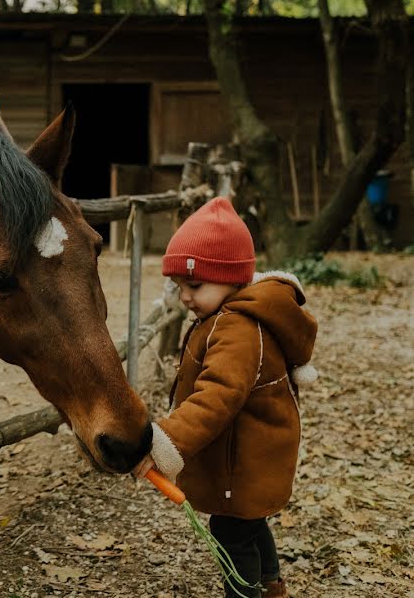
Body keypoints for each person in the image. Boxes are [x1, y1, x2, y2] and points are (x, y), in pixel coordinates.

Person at [133, 197, 318, 598]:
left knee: (231, 530)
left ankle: (246, 592)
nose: (184, 297)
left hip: (244, 461)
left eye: (194, 285)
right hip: (250, 455)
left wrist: (166, 441)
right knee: (249, 522)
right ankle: (272, 585)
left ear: (230, 277)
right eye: (179, 286)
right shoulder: (224, 315)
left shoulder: (236, 329)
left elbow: (216, 397)